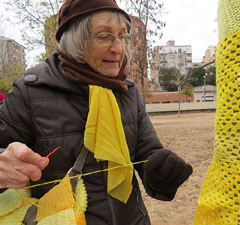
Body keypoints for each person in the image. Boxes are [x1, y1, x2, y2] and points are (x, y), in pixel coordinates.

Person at [0, 0, 193, 224]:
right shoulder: (30, 91)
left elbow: (147, 154)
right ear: (74, 41)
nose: (118, 48)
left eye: (122, 36)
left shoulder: (127, 90)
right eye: (104, 36)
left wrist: (162, 172)